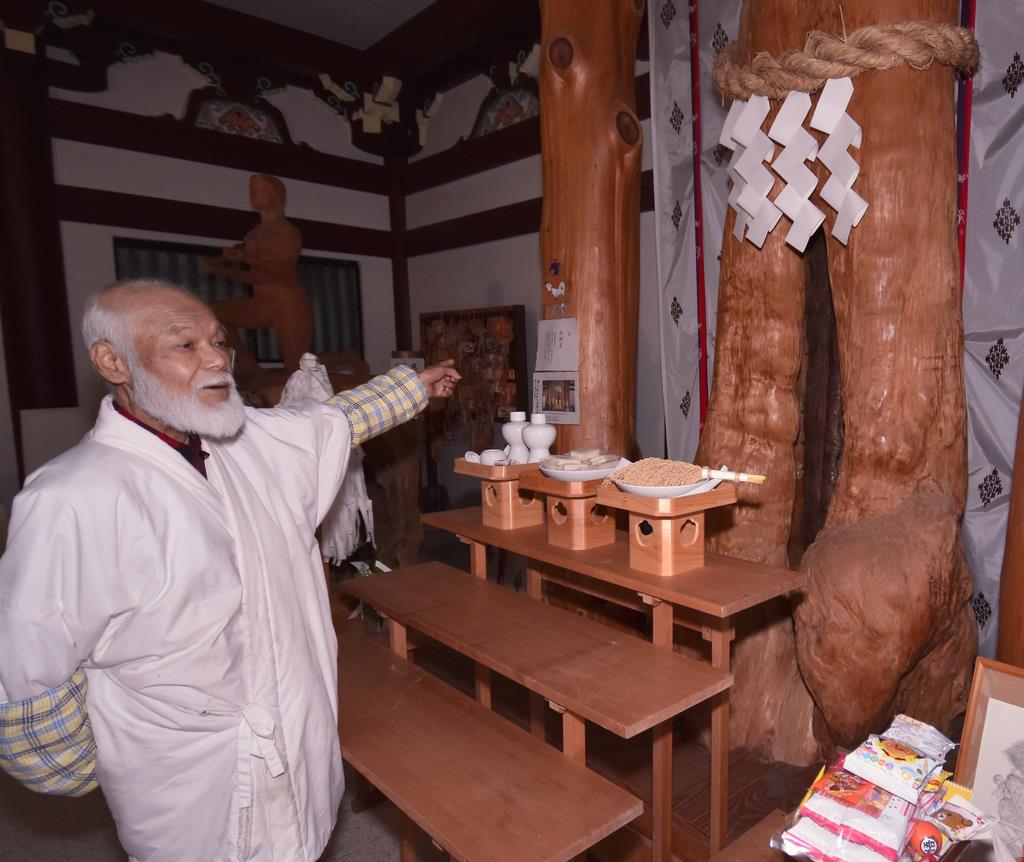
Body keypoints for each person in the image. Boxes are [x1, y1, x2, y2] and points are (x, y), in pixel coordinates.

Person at [0, 279, 460, 862]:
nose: (217, 357)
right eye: (185, 345)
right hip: (188, 770)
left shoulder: (243, 440)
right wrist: (99, 761)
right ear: (112, 361)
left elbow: (328, 422)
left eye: (219, 341)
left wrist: (413, 386)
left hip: (292, 725)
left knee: (303, 840)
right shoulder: (73, 496)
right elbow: (30, 664)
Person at [204, 174, 312, 376]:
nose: (254, 195)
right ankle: (251, 370)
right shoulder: (254, 233)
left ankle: (345, 358)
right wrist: (221, 270)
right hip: (262, 303)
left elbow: (284, 272)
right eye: (252, 191)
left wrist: (245, 256)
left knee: (297, 366)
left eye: (261, 190)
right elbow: (256, 278)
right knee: (214, 313)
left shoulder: (287, 231)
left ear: (278, 195)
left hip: (287, 304)